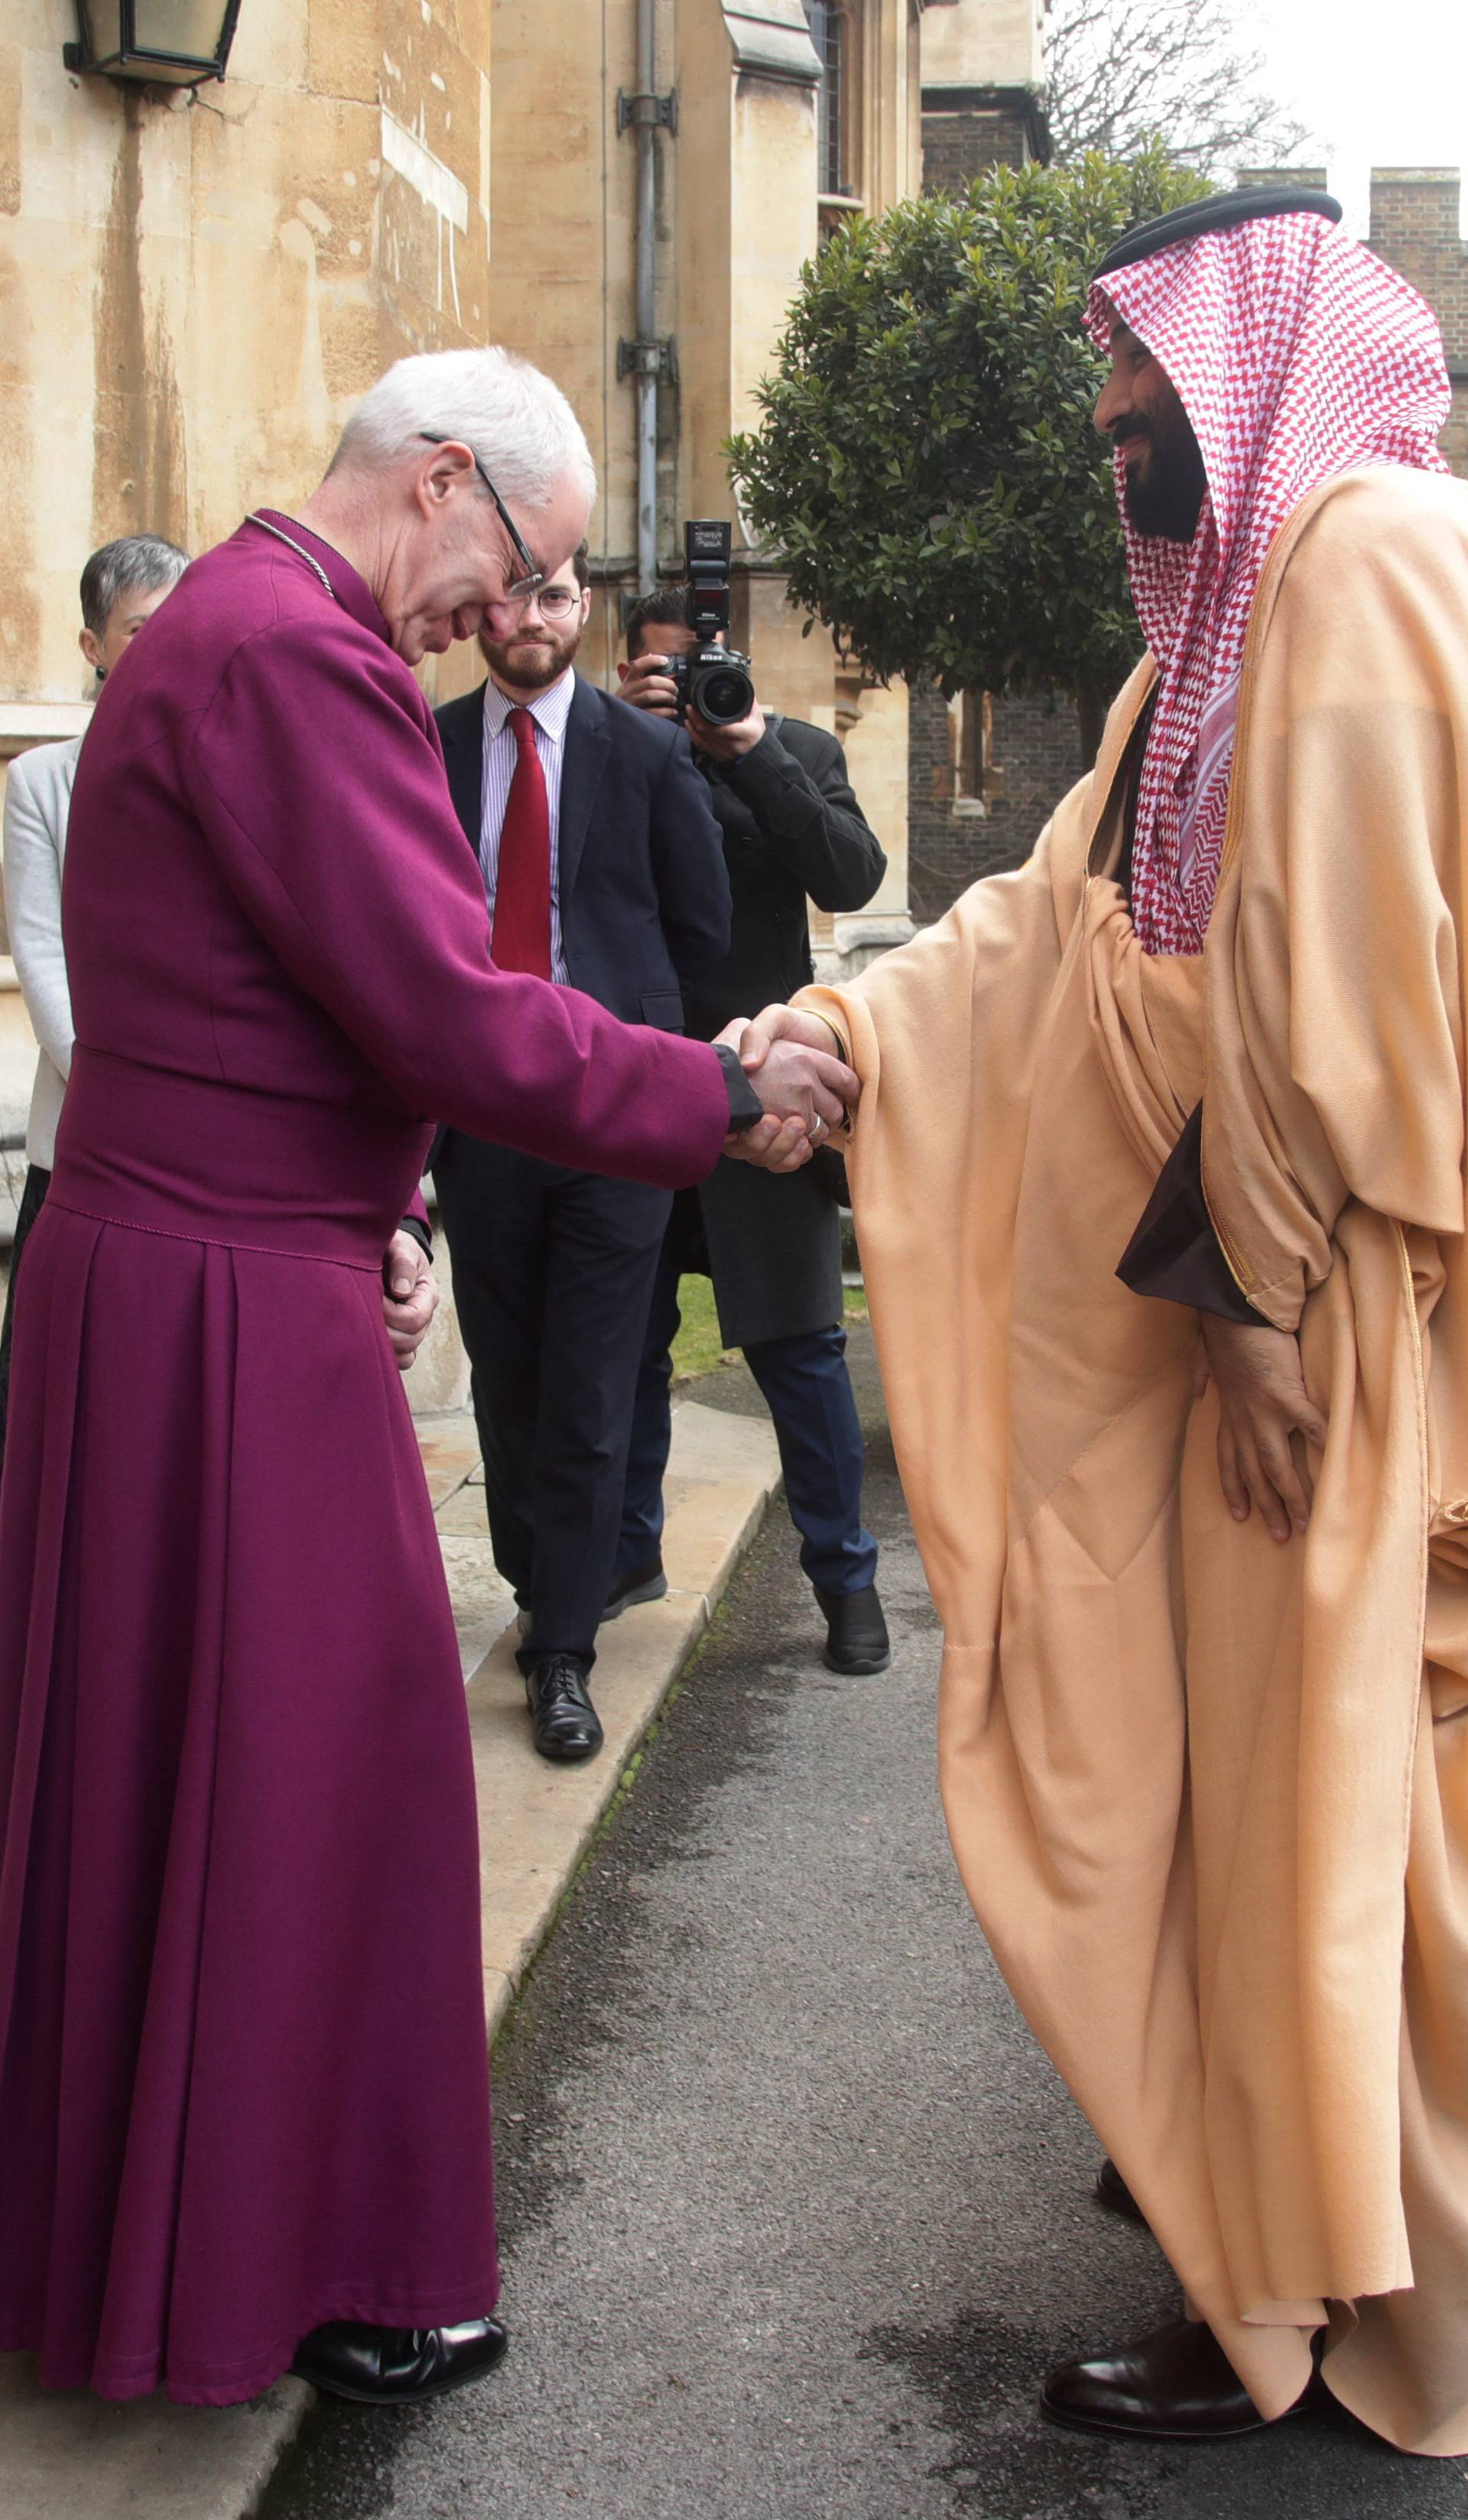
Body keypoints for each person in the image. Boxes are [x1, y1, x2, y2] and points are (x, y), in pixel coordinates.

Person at [0, 345, 856, 2410]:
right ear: (445, 478)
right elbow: (454, 1012)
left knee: (166, 1781)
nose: (510, 617)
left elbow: (264, 1012)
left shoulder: (234, 617)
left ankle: (148, 2249)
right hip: (216, 1313)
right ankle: (312, 2266)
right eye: (521, 564)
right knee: (329, 1770)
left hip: (187, 1275)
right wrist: (719, 1088)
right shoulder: (300, 652)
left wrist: (356, 1202)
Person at [740, 187, 1468, 2456]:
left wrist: (1250, 1296)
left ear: (1238, 351)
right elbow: (1054, 936)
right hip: (1244, 1327)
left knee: (1353, 1827)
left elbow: (1371, 1008)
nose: (1100, 407)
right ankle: (1259, 2204)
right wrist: (841, 1040)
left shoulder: (1362, 561)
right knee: (1255, 1815)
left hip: (1328, 1342)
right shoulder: (1207, 648)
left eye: (1126, 362)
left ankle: (1346, 2302)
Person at [431, 544, 730, 1763]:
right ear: (478, 613)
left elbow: (699, 930)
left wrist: (652, 1062)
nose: (530, 617)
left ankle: (563, 1648)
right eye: (509, 595)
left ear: (582, 610)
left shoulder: (649, 752)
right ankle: (538, 1575)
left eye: (553, 594)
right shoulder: (429, 745)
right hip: (484, 1112)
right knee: (508, 1372)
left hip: (611, 1117)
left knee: (598, 1381)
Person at [613, 589, 891, 1676]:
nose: (689, 689)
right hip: (633, 1087)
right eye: (664, 673)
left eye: (703, 666)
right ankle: (626, 1556)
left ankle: (849, 1587)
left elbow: (850, 874)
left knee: (802, 1350)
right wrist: (637, 742)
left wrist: (750, 750)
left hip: (767, 1089)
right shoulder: (603, 754)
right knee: (620, 1348)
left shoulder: (797, 749)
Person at [0, 535, 190, 1467]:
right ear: (94, 646)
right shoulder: (41, 781)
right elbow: (40, 949)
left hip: (200, 1155)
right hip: (81, 1137)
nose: (165, 647)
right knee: (49, 1415)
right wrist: (138, 1091)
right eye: (141, 629)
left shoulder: (231, 761)